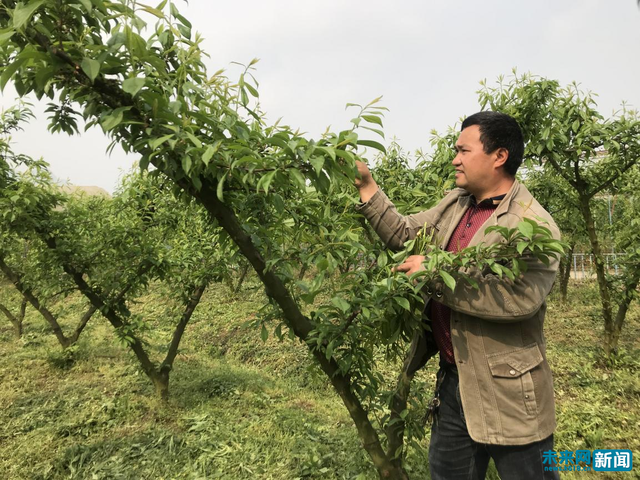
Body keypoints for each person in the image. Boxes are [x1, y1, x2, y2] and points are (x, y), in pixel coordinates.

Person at [355, 111, 561, 480]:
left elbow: (518, 298)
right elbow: (406, 236)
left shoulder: (532, 224)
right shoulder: (457, 203)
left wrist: (434, 273)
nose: (455, 159)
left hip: (509, 391)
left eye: (463, 150)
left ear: (499, 156)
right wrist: (367, 186)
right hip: (455, 382)